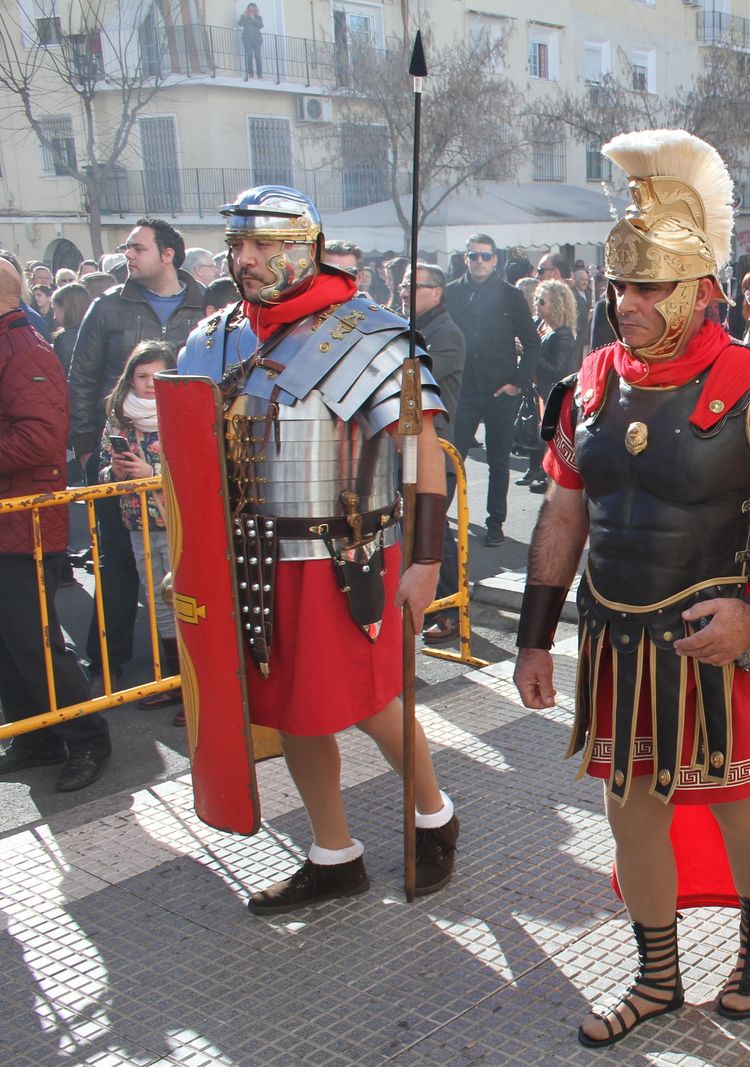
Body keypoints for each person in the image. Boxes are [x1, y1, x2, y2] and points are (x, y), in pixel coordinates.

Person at [512, 128, 750, 1049]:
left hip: (721, 644)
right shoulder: (586, 387)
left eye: (649, 286)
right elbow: (563, 516)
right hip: (617, 638)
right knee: (631, 807)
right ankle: (657, 978)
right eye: (620, 285)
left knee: (741, 802)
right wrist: (535, 635)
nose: (627, 304)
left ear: (702, 290)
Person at [173, 184, 459, 913]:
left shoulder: (370, 334)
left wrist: (427, 560)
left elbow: (423, 451)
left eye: (263, 244)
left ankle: (434, 813)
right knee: (289, 708)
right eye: (238, 245)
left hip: (344, 555)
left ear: (303, 246)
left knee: (370, 703)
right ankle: (335, 851)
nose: (246, 260)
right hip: (252, 558)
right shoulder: (214, 336)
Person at [69, 218, 206, 681]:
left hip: (185, 462)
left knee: (187, 570)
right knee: (120, 565)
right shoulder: (107, 307)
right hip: (118, 454)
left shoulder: (201, 304)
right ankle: (109, 661)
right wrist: (90, 452)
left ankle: (191, 670)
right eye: (126, 248)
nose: (128, 254)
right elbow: (82, 379)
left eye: (138, 247)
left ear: (168, 254)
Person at [0, 257, 111, 792]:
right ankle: (36, 738)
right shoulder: (13, 342)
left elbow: (42, 438)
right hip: (12, 519)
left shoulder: (23, 347)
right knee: (10, 640)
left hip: (25, 522)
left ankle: (89, 738)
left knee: (36, 640)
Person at [100, 341, 182, 714]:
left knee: (189, 601)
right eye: (142, 375)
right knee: (157, 603)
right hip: (138, 524)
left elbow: (201, 467)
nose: (150, 383)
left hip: (181, 523)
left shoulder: (183, 411)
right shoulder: (119, 420)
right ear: (129, 378)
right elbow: (104, 471)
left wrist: (154, 474)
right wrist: (113, 473)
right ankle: (175, 681)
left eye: (157, 375)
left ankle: (198, 685)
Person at [444, 233, 540, 547]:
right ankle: (439, 519)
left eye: (486, 256)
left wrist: (517, 383)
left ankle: (495, 522)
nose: (480, 261)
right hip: (464, 390)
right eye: (474, 256)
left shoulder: (510, 295)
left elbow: (532, 344)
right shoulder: (451, 293)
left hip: (500, 392)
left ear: (495, 259)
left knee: (498, 460)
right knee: (450, 457)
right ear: (465, 258)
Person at [404, 263, 469, 649]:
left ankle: (449, 609)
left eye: (414, 286)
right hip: (407, 442)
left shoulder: (446, 334)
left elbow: (412, 378)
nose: (405, 292)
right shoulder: (407, 327)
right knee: (414, 525)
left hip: (435, 444)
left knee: (435, 528)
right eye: (403, 285)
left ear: (437, 292)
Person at [513, 279, 578, 493]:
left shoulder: (563, 334)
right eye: (536, 301)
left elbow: (556, 370)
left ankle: (551, 478)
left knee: (552, 437)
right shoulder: (540, 325)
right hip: (540, 391)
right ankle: (538, 471)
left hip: (552, 393)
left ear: (557, 305)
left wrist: (529, 352)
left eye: (542, 302)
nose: (537, 306)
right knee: (538, 434)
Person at [49, 282, 89, 374]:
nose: (54, 317)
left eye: (54, 309)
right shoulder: (95, 331)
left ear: (65, 308)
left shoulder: (66, 338)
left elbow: (63, 372)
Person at [238, 2, 264, 79]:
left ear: (255, 10)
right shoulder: (244, 17)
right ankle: (250, 73)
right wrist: (245, 15)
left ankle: (259, 74)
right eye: (249, 9)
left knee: (258, 57)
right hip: (247, 40)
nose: (251, 11)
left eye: (252, 9)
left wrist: (253, 18)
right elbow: (240, 23)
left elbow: (260, 25)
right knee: (249, 57)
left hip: (257, 40)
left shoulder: (258, 17)